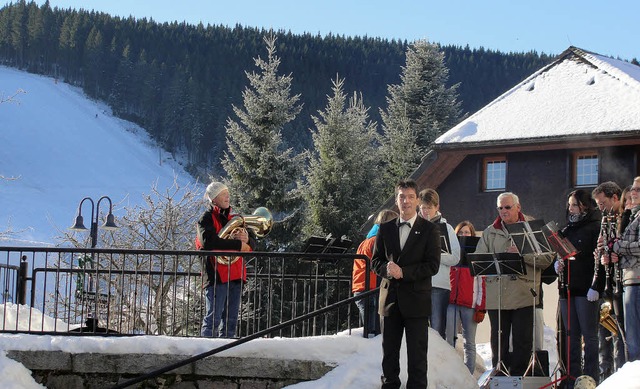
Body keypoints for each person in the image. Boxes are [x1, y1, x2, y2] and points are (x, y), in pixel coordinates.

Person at [372, 179, 441, 389]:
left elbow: (433, 265)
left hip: (417, 301)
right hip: (390, 301)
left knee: (417, 358)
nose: (406, 201)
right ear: (396, 200)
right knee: (389, 357)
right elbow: (376, 261)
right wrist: (387, 270)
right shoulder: (384, 228)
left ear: (418, 200)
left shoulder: (429, 230)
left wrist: (405, 273)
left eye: (411, 196)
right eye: (402, 197)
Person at [474, 192, 554, 376]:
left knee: (522, 341)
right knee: (498, 341)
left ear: (518, 207)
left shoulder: (533, 228)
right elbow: (480, 261)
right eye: (500, 208)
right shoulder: (489, 231)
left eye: (507, 207)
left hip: (523, 294)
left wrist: (522, 253)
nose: (503, 211)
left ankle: (520, 378)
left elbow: (547, 259)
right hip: (498, 296)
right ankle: (499, 376)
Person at [554, 189, 604, 388]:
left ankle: (591, 378)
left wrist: (596, 286)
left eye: (574, 204)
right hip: (567, 288)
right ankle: (572, 378)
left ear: (584, 205)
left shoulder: (595, 227)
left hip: (585, 289)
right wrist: (557, 265)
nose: (570, 208)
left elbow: (598, 260)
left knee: (589, 336)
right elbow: (559, 255)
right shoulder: (566, 230)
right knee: (570, 336)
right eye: (569, 205)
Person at [196, 181, 252, 338]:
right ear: (214, 199)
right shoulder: (205, 218)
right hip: (216, 275)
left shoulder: (236, 218)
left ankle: (226, 352)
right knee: (213, 318)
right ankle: (206, 352)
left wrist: (247, 239)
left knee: (231, 320)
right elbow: (209, 242)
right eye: (223, 194)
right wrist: (237, 244)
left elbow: (251, 244)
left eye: (227, 193)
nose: (227, 196)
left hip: (236, 273)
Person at [592, 181, 626, 381]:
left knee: (620, 337)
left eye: (603, 203)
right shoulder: (606, 221)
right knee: (604, 339)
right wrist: (600, 253)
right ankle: (606, 377)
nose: (600, 208)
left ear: (615, 198)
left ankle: (620, 376)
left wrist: (614, 251)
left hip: (621, 285)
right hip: (608, 285)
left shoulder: (623, 219)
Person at [418, 188, 460, 339]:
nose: (425, 212)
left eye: (429, 208)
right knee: (417, 328)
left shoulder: (447, 228)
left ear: (437, 207)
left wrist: (434, 255)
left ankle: (438, 362)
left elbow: (455, 257)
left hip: (438, 285)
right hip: (416, 283)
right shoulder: (413, 226)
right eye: (422, 207)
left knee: (437, 329)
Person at [446, 220, 486, 374]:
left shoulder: (477, 253)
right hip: (452, 303)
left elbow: (482, 282)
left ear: (472, 234)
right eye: (461, 233)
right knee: (450, 340)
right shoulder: (451, 252)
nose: (464, 235)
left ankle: (468, 376)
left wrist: (481, 306)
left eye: (467, 232)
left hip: (470, 304)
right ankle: (452, 373)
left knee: (469, 343)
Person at [352, 209, 399, 337]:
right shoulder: (376, 241)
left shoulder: (367, 240)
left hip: (362, 286)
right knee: (372, 331)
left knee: (369, 329)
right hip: (370, 288)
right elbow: (380, 264)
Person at [611, 176, 640, 363]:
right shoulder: (633, 215)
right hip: (630, 279)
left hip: (637, 280)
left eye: (638, 189)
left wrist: (618, 247)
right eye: (633, 189)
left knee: (634, 339)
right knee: (631, 338)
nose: (633, 192)